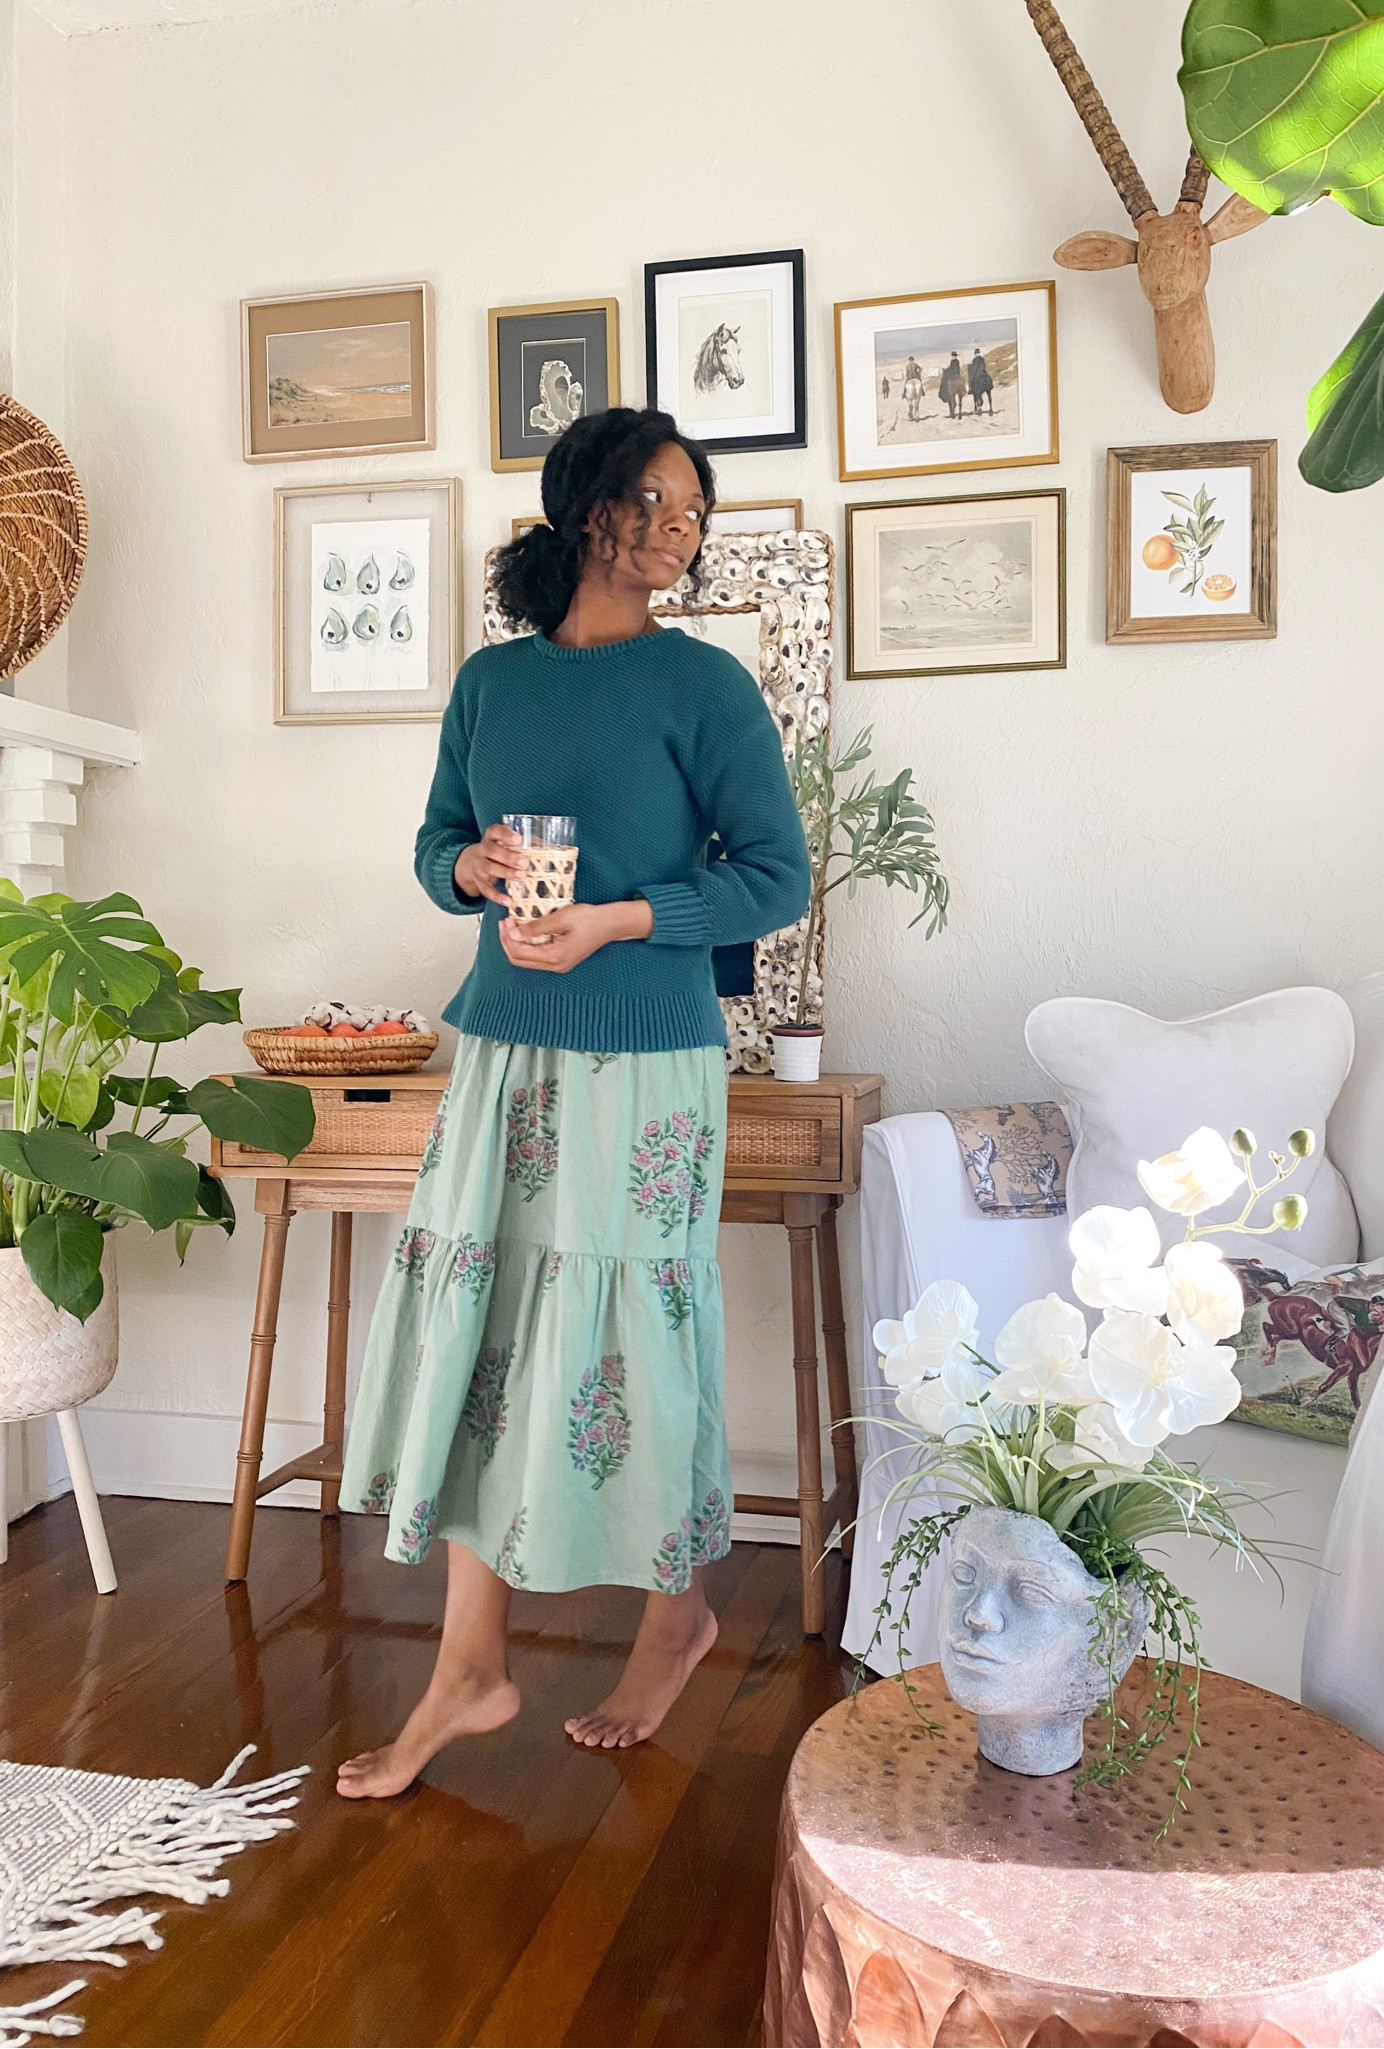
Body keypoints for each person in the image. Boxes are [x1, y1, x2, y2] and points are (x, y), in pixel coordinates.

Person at [335, 407, 811, 1797]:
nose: (682, 533)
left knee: (628, 1333)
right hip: (502, 1047)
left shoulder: (703, 685)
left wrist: (618, 918)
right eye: (658, 505)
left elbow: (774, 879)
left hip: (646, 1060)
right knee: (483, 1327)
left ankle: (676, 1615)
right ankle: (467, 1671)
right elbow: (434, 847)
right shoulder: (493, 684)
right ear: (585, 507)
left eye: (695, 516)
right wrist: (473, 872)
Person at [967, 346, 994, 416]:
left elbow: (974, 369)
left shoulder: (974, 360)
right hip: (984, 373)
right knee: (989, 394)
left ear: (975, 353)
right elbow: (983, 367)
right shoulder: (982, 359)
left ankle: (979, 407)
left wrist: (971, 378)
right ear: (979, 353)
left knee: (976, 390)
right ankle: (991, 408)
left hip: (977, 376)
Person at [939, 351, 964, 419]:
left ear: (953, 356)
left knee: (944, 381)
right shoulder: (957, 361)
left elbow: (951, 368)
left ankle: (943, 393)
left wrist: (945, 370)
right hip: (957, 375)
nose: (952, 357)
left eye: (953, 356)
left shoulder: (953, 361)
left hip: (952, 375)